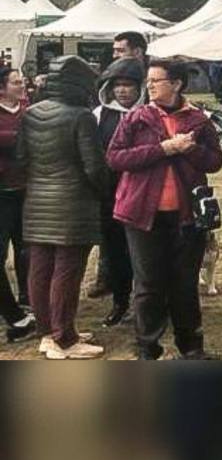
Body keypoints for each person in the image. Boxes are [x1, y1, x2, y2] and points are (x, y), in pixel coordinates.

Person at [107, 58, 222, 360]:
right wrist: (163, 149)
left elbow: (215, 161)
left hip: (186, 215)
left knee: (185, 284)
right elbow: (116, 158)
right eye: (148, 81)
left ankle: (192, 347)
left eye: (155, 81)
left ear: (176, 84)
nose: (149, 86)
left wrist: (191, 149)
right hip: (142, 213)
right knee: (148, 285)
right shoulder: (136, 118)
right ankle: (148, 348)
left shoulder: (198, 120)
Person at [14, 56, 107, 359]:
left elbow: (21, 157)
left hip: (36, 200)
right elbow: (94, 167)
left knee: (40, 268)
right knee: (68, 271)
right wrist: (107, 192)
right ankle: (64, 338)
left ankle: (47, 333)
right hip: (73, 203)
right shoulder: (82, 116)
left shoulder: (31, 113)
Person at [93, 57, 144, 328]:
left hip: (142, 191)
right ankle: (120, 302)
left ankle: (147, 305)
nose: (123, 90)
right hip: (110, 193)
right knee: (115, 251)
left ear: (139, 88)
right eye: (117, 85)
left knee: (145, 254)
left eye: (128, 85)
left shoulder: (149, 113)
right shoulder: (100, 115)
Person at [0, 65, 36, 341]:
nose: (22, 85)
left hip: (26, 192)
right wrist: (21, 140)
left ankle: (29, 300)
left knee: (27, 250)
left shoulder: (29, 112)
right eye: (15, 82)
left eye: (22, 81)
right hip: (2, 195)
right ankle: (13, 314)